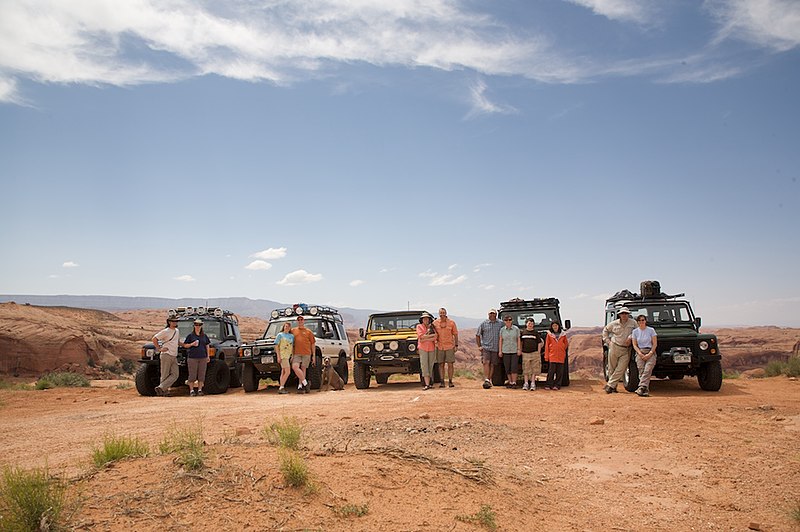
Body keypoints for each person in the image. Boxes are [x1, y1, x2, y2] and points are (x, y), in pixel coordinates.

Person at [602, 307, 637, 393]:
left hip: (626, 349)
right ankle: (613, 387)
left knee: (621, 368)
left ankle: (610, 385)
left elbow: (638, 331)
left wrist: (631, 337)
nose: (624, 315)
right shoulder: (614, 323)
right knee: (611, 368)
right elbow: (605, 330)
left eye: (626, 313)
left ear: (628, 314)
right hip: (614, 346)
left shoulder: (633, 323)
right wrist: (608, 341)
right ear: (620, 315)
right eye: (622, 313)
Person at [475, 309, 504, 389]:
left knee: (492, 364)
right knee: (486, 362)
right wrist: (479, 346)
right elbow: (478, 335)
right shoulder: (484, 324)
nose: (492, 315)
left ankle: (489, 379)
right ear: (488, 314)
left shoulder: (501, 323)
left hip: (496, 347)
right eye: (490, 313)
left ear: (496, 314)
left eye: (493, 313)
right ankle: (486, 379)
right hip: (486, 347)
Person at [152, 316, 180, 396]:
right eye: (173, 321)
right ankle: (164, 391)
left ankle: (161, 388)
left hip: (174, 355)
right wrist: (159, 348)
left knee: (175, 374)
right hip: (166, 355)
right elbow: (154, 339)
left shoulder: (177, 331)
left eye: (176, 321)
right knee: (165, 374)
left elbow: (177, 342)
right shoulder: (165, 331)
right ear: (169, 322)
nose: (175, 323)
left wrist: (187, 345)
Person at [182, 319, 210, 397]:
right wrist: (192, 344)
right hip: (192, 357)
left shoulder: (204, 336)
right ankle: (191, 390)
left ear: (201, 326)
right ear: (194, 326)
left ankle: (200, 390)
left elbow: (207, 345)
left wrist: (208, 356)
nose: (198, 326)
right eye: (196, 325)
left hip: (203, 357)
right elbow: (185, 345)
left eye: (199, 325)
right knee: (192, 375)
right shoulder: (190, 336)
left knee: (201, 374)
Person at [632, 315, 658, 397]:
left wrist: (650, 353)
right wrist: (639, 353)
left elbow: (655, 344)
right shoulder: (635, 332)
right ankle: (644, 389)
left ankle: (641, 387)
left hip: (650, 351)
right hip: (640, 352)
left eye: (643, 320)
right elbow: (634, 344)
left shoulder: (651, 330)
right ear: (637, 322)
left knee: (648, 369)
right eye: (639, 320)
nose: (641, 322)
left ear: (645, 321)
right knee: (641, 370)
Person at [433, 307, 459, 388]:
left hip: (450, 346)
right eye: (441, 313)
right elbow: (433, 334)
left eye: (443, 313)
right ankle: (442, 381)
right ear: (439, 314)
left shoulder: (451, 323)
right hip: (440, 347)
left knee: (450, 364)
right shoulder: (435, 323)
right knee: (441, 364)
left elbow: (455, 334)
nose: (442, 314)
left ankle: (450, 381)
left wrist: (456, 345)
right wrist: (435, 343)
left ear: (446, 313)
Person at [290, 316, 316, 394]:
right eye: (298, 320)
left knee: (303, 369)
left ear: (304, 321)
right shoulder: (293, 331)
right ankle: (306, 383)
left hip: (306, 353)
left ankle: (300, 386)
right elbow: (286, 336)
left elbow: (313, 343)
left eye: (301, 319)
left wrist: (313, 355)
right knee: (295, 367)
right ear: (297, 321)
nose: (300, 321)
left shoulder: (308, 332)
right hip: (296, 353)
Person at [498, 315, 521, 388]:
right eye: (506, 320)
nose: (508, 321)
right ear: (504, 321)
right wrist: (500, 351)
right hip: (505, 350)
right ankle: (510, 382)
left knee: (514, 367)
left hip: (514, 350)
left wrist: (519, 349)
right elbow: (501, 340)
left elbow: (518, 339)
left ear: (512, 321)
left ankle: (514, 382)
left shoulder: (516, 329)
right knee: (507, 367)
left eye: (510, 320)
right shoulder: (502, 330)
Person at [544, 321, 568, 390]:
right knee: (551, 371)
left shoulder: (563, 334)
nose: (555, 327)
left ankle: (557, 385)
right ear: (551, 327)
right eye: (553, 326)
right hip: (552, 355)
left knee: (559, 371)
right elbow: (547, 345)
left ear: (558, 326)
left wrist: (562, 348)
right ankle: (548, 384)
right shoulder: (549, 334)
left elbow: (566, 344)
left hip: (561, 355)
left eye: (556, 325)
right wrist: (546, 356)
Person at [416, 312, 437, 390]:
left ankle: (430, 383)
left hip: (431, 348)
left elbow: (435, 337)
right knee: (424, 365)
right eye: (424, 319)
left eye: (427, 319)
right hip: (423, 348)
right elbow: (421, 338)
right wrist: (429, 337)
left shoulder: (432, 327)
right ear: (422, 320)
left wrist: (426, 337)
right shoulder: (419, 326)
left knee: (430, 365)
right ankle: (427, 384)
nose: (426, 320)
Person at [520, 318, 543, 391]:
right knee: (526, 368)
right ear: (526, 324)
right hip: (525, 353)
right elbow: (520, 342)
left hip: (534, 353)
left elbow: (539, 343)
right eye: (529, 323)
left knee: (534, 368)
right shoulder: (523, 332)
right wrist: (520, 350)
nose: (530, 325)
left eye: (532, 324)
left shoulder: (535, 333)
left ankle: (533, 383)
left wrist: (538, 352)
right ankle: (526, 383)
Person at [275, 321, 294, 395]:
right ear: (283, 327)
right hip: (283, 355)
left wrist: (292, 355)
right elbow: (276, 345)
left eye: (288, 327)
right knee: (288, 371)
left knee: (283, 371)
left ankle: (281, 386)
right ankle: (281, 387)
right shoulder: (280, 335)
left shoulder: (291, 336)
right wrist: (278, 356)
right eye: (286, 326)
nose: (287, 328)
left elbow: (292, 346)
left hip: (288, 355)